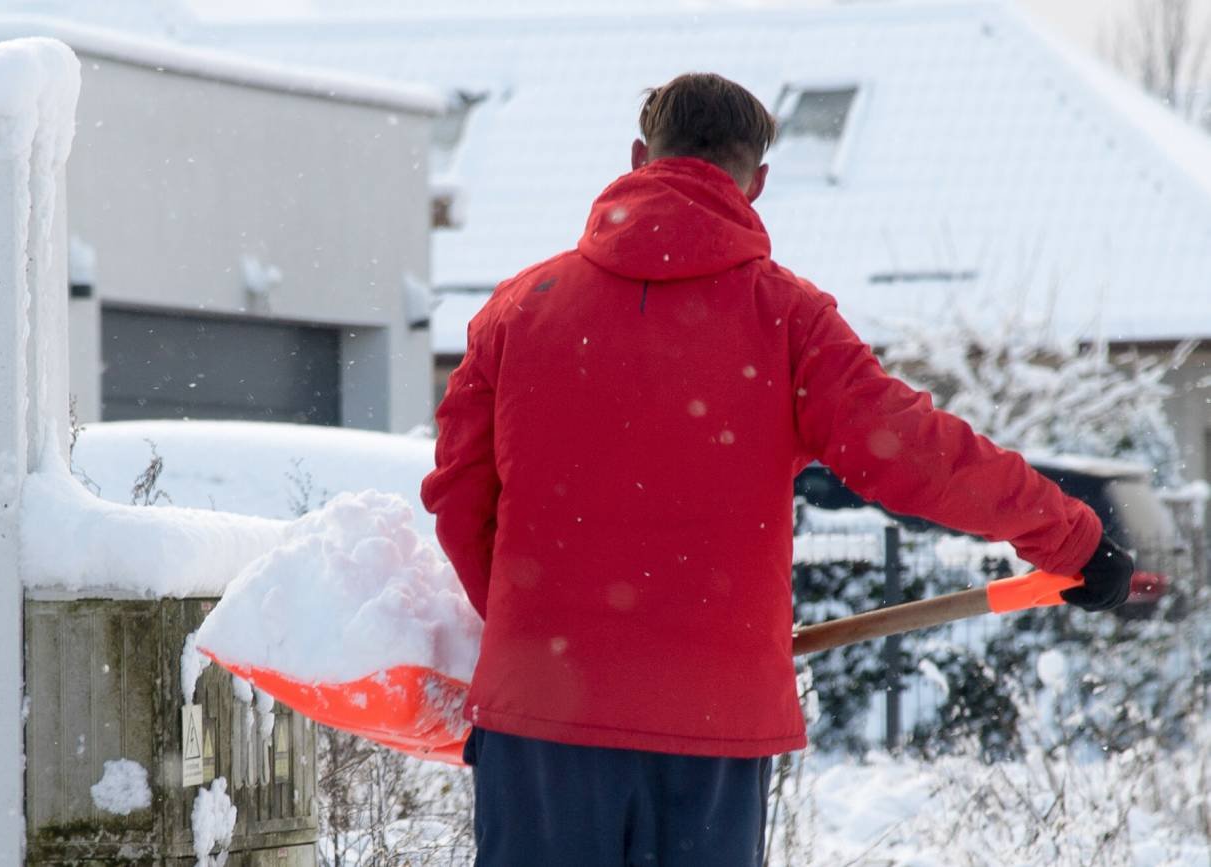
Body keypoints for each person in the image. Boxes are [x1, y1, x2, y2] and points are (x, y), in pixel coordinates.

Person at [421, 72, 1133, 866]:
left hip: (542, 724)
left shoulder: (520, 309)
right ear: (756, 182)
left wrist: (539, 630)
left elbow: (458, 497)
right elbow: (916, 451)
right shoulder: (788, 321)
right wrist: (1068, 536)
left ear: (638, 157)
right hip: (712, 721)